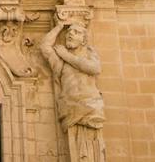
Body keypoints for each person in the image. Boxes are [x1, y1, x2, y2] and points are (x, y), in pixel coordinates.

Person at [40, 22, 106, 161]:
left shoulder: (89, 54)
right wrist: (58, 27)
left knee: (92, 148)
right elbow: (44, 47)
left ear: (84, 40)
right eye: (69, 31)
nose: (70, 33)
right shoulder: (60, 63)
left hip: (90, 105)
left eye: (76, 32)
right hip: (70, 107)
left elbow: (94, 68)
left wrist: (65, 55)